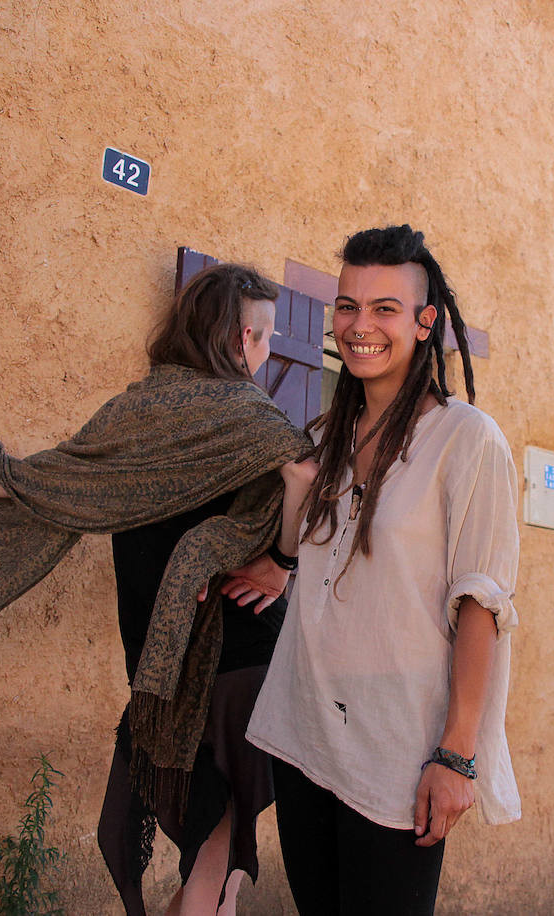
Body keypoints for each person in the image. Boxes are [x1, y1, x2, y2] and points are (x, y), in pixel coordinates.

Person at [0, 263, 313, 916]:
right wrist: (282, 549)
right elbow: (306, 491)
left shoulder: (135, 411)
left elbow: (72, 481)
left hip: (159, 668)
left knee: (214, 840)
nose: (268, 349)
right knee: (220, 846)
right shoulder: (256, 422)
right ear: (233, 337)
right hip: (243, 660)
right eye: (261, 335)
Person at [228, 225, 521, 915]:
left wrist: (456, 755)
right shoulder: (329, 435)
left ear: (425, 323)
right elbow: (317, 552)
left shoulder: (467, 440)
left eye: (384, 308)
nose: (360, 326)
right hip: (306, 729)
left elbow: (480, 602)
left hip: (399, 745)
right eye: (347, 306)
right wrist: (275, 560)